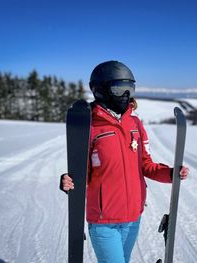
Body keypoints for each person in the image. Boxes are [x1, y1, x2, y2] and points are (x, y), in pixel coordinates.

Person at [60, 60, 189, 263]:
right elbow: (81, 173)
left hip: (132, 218)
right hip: (104, 222)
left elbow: (146, 164)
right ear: (100, 90)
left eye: (130, 88)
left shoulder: (135, 124)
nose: (126, 95)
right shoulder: (90, 127)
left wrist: (170, 174)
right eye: (119, 89)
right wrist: (70, 181)